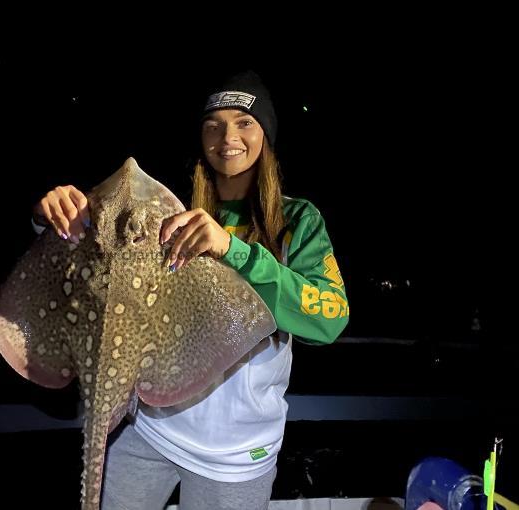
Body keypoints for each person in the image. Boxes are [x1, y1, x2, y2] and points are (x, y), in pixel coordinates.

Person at [32, 70, 349, 510]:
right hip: (152, 429)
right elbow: (100, 260)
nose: (227, 137)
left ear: (266, 135)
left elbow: (329, 318)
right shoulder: (173, 209)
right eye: (213, 125)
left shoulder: (298, 222)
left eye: (244, 122)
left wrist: (232, 249)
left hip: (236, 451)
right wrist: (56, 220)